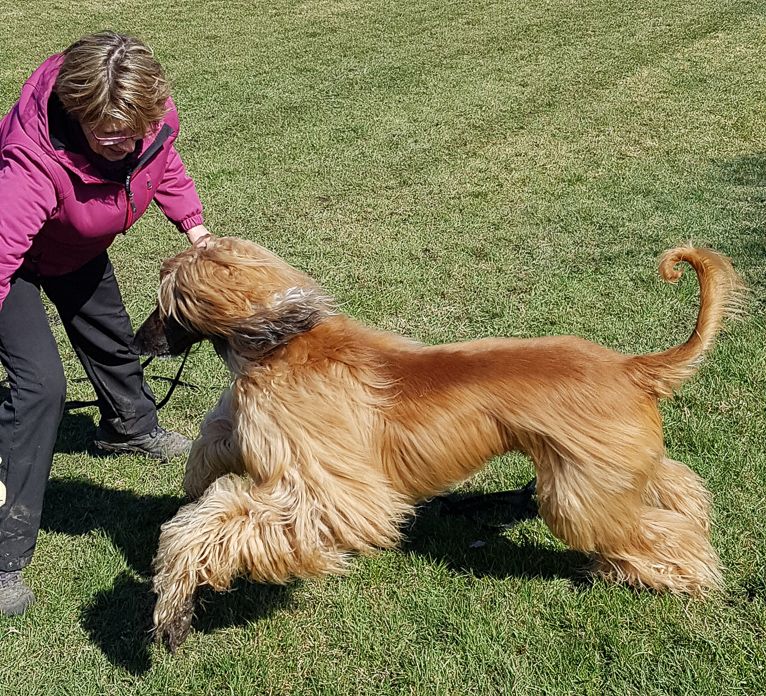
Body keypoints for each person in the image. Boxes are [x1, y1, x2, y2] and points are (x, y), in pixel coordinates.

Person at [0, 31, 212, 616]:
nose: (119, 143)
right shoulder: (32, 163)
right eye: (103, 133)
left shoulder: (151, 120)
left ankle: (130, 427)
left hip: (74, 247)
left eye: (129, 131)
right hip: (12, 261)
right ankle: (4, 557)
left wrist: (195, 229)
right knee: (40, 387)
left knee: (112, 336)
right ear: (75, 112)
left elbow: (160, 165)